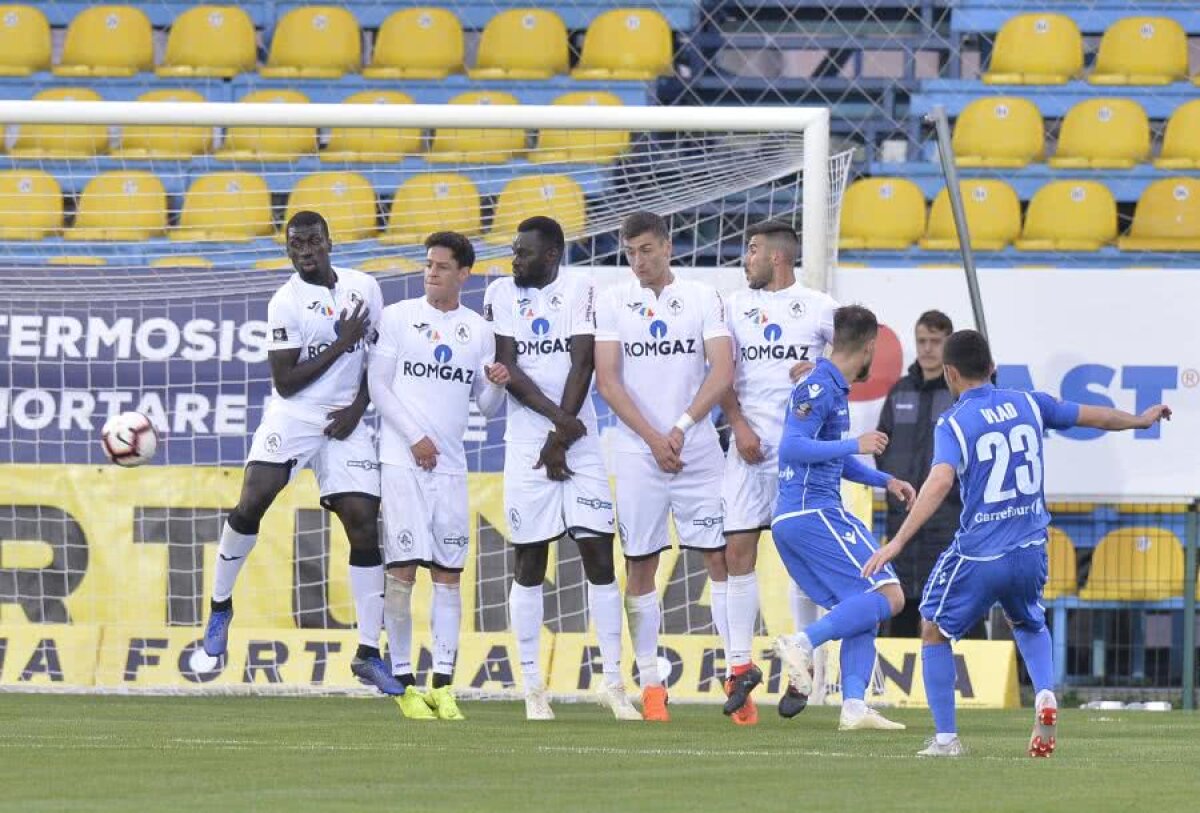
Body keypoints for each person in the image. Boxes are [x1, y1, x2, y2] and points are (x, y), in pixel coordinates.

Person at [862, 329, 1171, 757]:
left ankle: (947, 739)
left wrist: (896, 542)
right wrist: (1139, 419)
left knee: (932, 629)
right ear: (991, 367)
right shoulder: (1028, 402)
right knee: (1028, 621)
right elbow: (1091, 416)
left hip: (978, 552)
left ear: (950, 373)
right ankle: (1045, 694)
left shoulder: (953, 421)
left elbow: (939, 480)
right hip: (1030, 547)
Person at [202, 211, 401, 695]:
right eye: (295, 245)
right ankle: (220, 606)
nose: (305, 251)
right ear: (288, 251)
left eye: (312, 241)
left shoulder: (364, 288)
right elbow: (285, 382)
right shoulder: (284, 303)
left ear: (329, 241)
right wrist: (339, 344)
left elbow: (377, 360)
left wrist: (358, 407)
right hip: (295, 415)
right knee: (253, 501)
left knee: (363, 524)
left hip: (345, 420)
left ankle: (369, 653)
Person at [483, 216, 638, 722]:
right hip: (530, 440)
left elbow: (583, 362)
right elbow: (508, 367)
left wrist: (563, 437)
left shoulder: (583, 287)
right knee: (529, 560)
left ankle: (613, 682)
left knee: (598, 555)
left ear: (551, 255)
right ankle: (533, 687)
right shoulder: (501, 292)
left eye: (523, 252)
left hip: (578, 444)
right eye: (513, 250)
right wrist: (557, 427)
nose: (515, 259)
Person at [594, 211, 734, 723]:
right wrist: (655, 438)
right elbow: (608, 381)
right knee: (640, 564)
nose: (639, 261)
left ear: (668, 247)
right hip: (638, 454)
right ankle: (651, 682)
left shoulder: (702, 296)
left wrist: (679, 427)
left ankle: (734, 671)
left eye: (647, 249)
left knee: (718, 558)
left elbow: (723, 368)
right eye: (630, 252)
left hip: (697, 450)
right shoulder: (611, 301)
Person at [369, 232, 509, 721]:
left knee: (449, 575)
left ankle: (444, 684)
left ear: (464, 274)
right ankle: (406, 683)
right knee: (403, 571)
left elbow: (485, 408)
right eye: (428, 264)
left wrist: (496, 387)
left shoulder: (477, 330)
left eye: (443, 266)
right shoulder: (398, 317)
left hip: (450, 466)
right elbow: (378, 387)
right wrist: (413, 437)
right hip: (404, 460)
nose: (432, 272)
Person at [771, 305, 915, 731]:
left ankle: (853, 706)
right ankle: (800, 642)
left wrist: (884, 479)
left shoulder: (832, 387)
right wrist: (855, 443)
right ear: (869, 346)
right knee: (890, 595)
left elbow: (831, 461)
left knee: (863, 605)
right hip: (813, 511)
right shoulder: (817, 388)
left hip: (800, 516)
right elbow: (792, 449)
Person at [719, 220, 837, 725]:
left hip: (801, 453)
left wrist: (823, 372)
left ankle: (801, 668)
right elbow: (718, 375)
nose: (746, 258)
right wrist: (739, 426)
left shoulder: (820, 307)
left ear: (778, 258)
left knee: (804, 563)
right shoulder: (732, 306)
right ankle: (740, 666)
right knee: (736, 553)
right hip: (747, 448)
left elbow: (862, 357)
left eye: (752, 250)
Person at [875, 310, 968, 638]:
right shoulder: (900, 391)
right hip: (902, 516)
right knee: (901, 602)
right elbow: (881, 444)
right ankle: (901, 684)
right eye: (922, 341)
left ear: (949, 345)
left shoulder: (959, 395)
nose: (927, 348)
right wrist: (894, 485)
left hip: (949, 517)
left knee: (950, 604)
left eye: (935, 341)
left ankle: (967, 679)